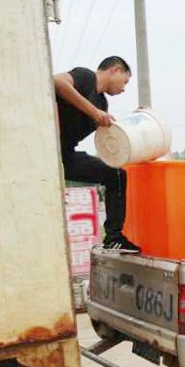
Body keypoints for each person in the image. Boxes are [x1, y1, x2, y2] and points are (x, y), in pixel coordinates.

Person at [54, 56, 140, 251]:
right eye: (125, 81)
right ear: (115, 70)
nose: (124, 88)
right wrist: (93, 112)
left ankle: (113, 237)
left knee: (116, 174)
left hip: (64, 156)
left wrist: (137, 120)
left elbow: (111, 134)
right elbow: (57, 81)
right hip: (46, 150)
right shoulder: (85, 77)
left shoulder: (103, 105)